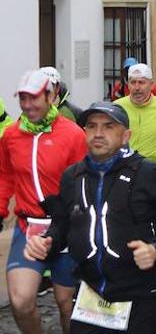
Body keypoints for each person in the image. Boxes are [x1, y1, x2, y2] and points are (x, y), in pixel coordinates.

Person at [24, 102, 156, 334]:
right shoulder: (73, 176)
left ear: (126, 136)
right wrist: (48, 240)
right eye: (92, 126)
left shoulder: (147, 173)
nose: (99, 133)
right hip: (90, 294)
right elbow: (63, 223)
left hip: (138, 295)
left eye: (108, 126)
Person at [0, 69, 87, 334]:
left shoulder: (72, 134)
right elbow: (5, 176)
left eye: (33, 98)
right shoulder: (12, 136)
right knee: (21, 301)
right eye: (22, 99)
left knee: (67, 306)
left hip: (67, 229)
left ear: (51, 95)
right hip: (29, 228)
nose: (27, 105)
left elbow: (84, 182)